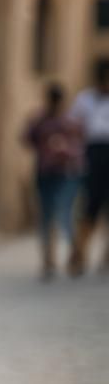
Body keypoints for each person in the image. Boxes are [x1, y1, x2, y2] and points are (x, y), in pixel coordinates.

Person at [21, 83, 83, 280]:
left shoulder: (69, 122)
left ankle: (74, 255)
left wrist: (63, 149)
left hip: (65, 174)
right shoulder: (41, 121)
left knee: (63, 214)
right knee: (47, 215)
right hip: (46, 173)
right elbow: (27, 139)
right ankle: (49, 260)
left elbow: (80, 148)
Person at [66, 59, 109, 276]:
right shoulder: (85, 99)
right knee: (90, 206)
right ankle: (79, 254)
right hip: (94, 153)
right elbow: (72, 125)